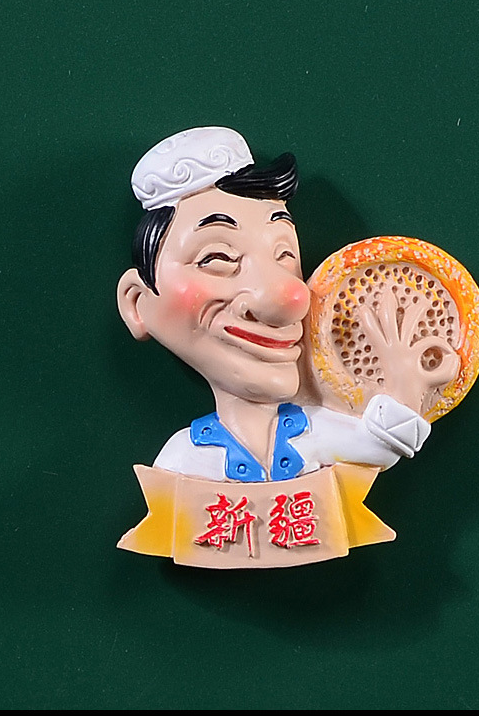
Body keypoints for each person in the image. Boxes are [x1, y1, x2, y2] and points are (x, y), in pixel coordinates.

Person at [117, 127, 431, 486]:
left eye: (285, 255)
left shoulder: (314, 432)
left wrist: (403, 385)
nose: (290, 300)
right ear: (138, 304)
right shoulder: (186, 457)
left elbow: (381, 445)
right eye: (220, 258)